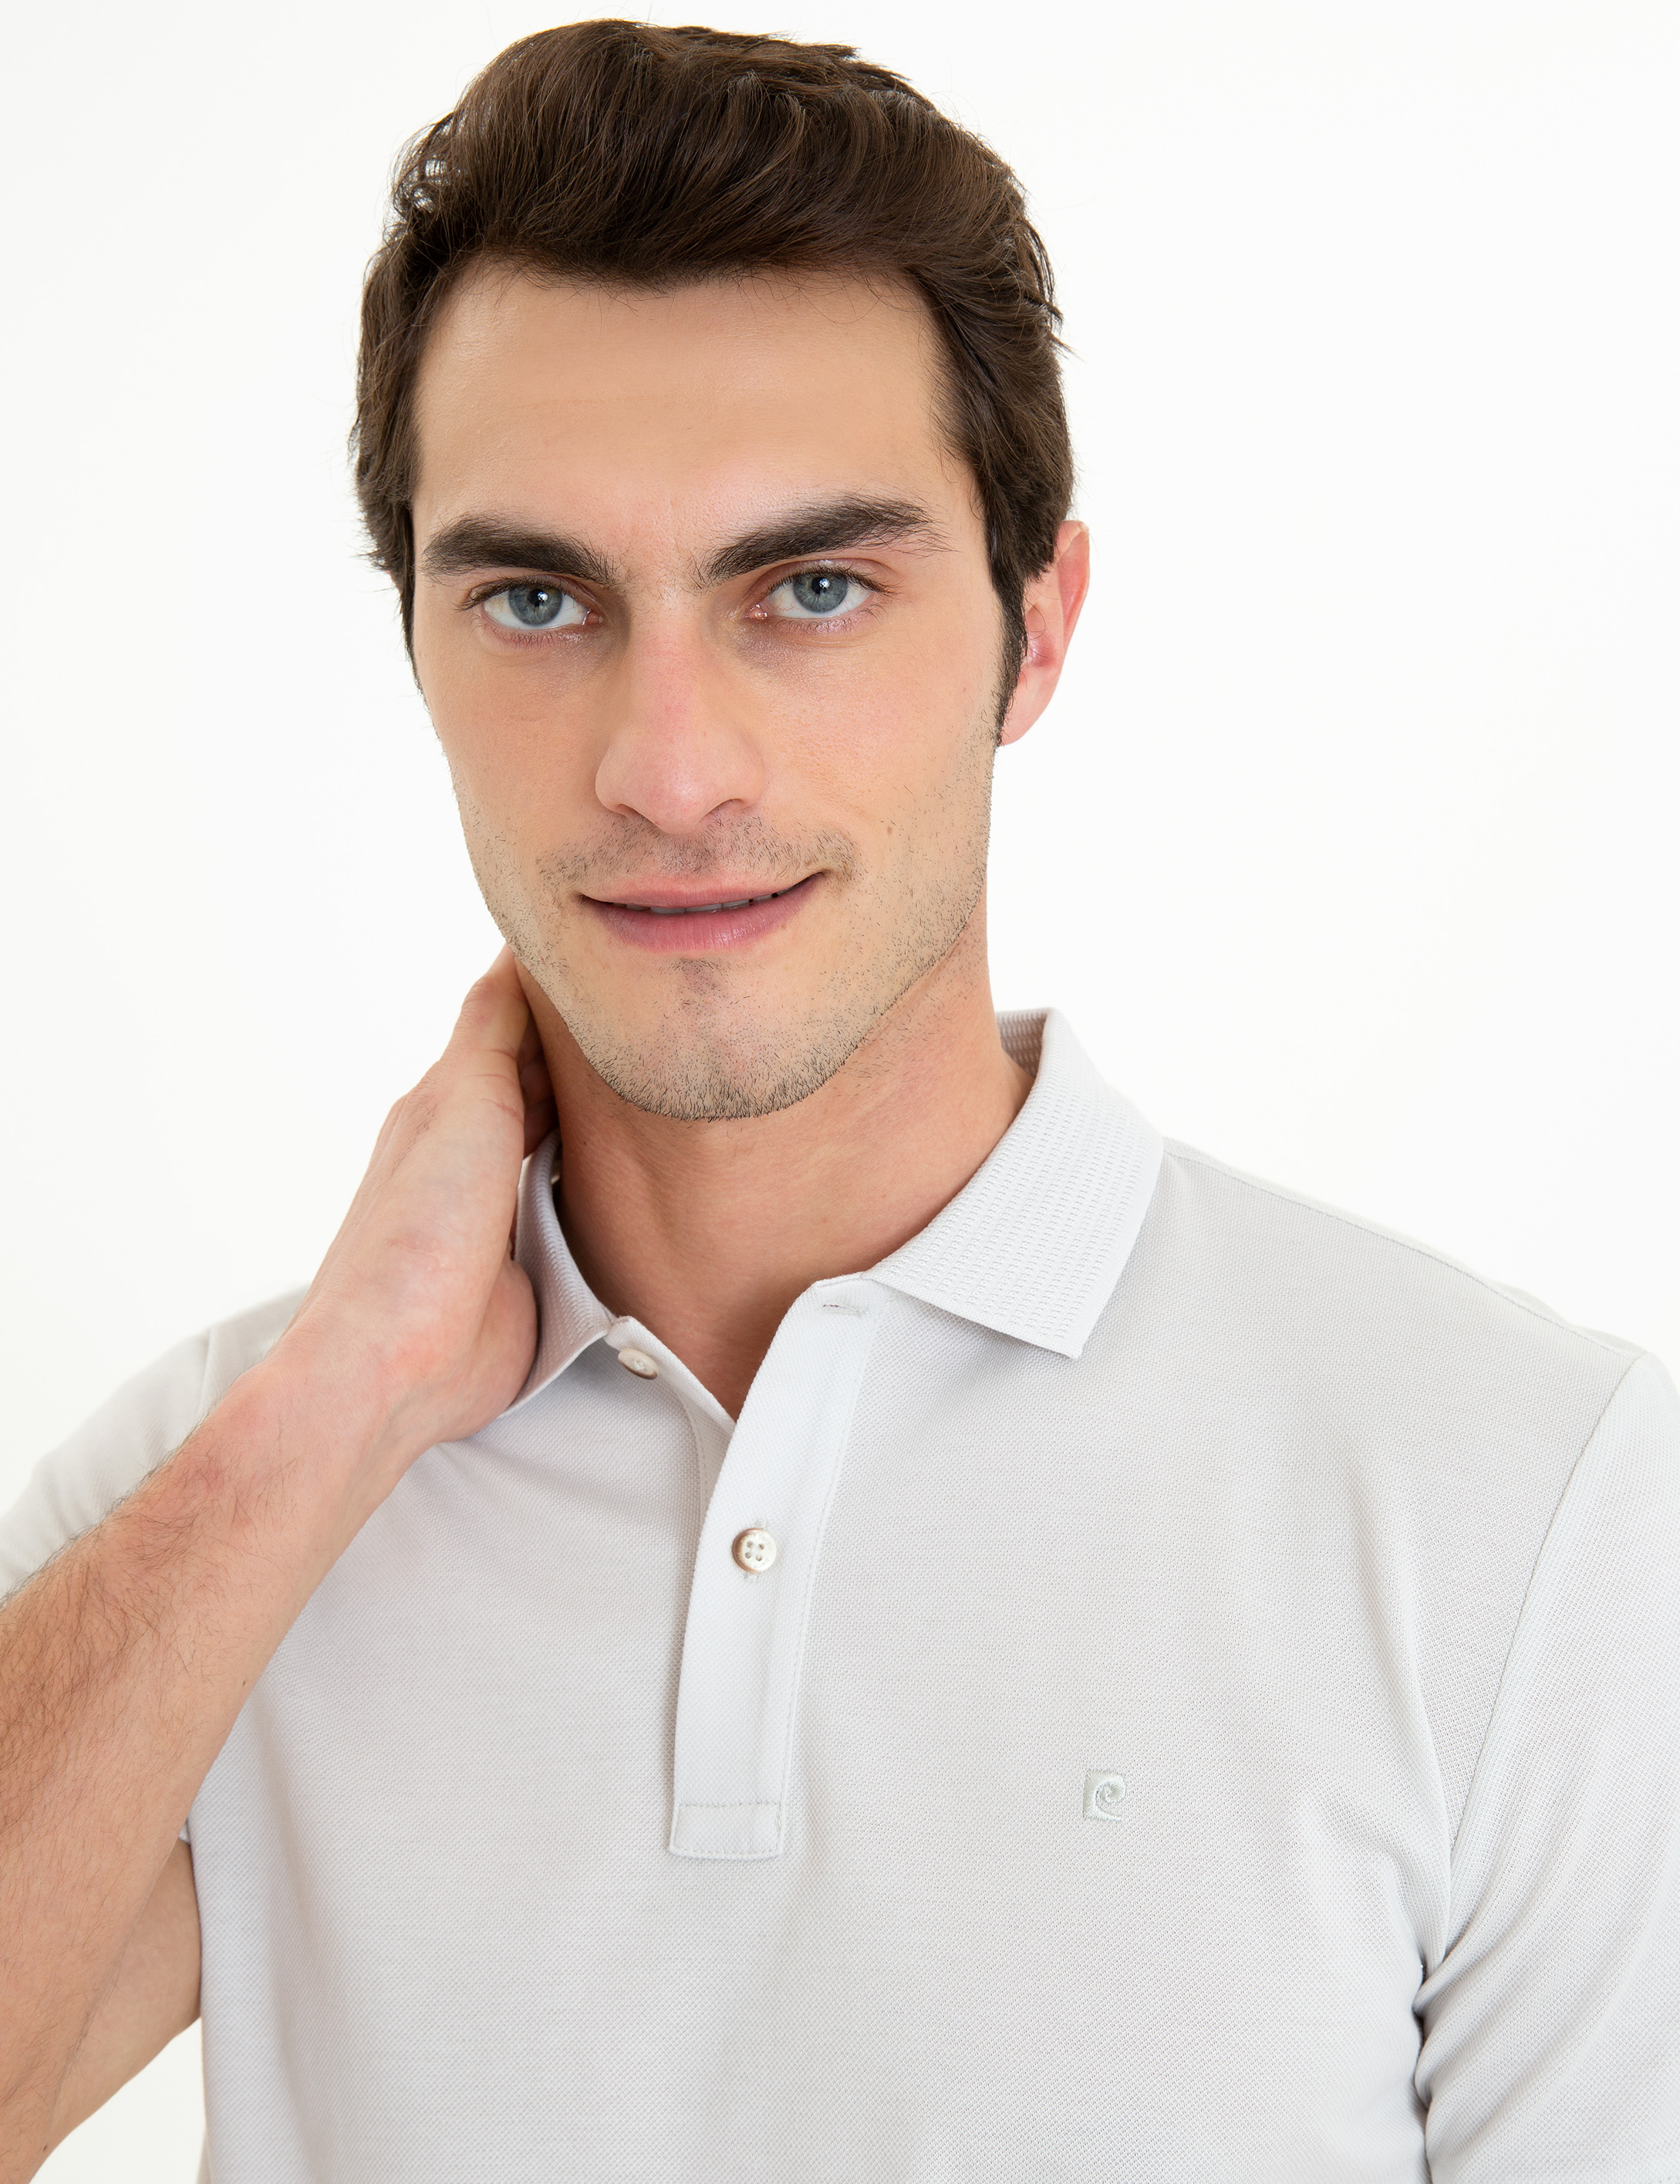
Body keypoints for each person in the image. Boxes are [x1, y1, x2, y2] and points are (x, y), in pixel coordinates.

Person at [2, 19, 1676, 2180]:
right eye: (535, 599)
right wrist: (331, 1418)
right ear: (413, 644)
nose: (667, 768)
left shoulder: (1522, 1503)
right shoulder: (235, 1486)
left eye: (810, 589)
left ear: (1035, 628)